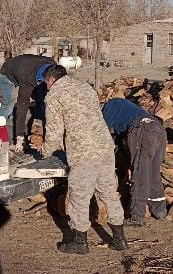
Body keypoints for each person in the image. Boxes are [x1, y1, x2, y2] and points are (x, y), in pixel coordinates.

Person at [39, 65, 127, 254]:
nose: (46, 86)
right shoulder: (86, 88)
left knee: (79, 196)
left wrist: (44, 153)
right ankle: (120, 239)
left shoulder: (54, 95)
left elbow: (54, 131)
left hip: (82, 151)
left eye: (45, 82)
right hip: (104, 146)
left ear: (51, 79)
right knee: (109, 192)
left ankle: (80, 242)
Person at [102, 98, 167, 226]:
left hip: (142, 130)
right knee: (153, 172)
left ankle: (137, 217)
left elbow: (101, 133)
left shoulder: (108, 107)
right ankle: (160, 210)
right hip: (158, 128)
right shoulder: (125, 107)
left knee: (140, 173)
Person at [0, 54, 55, 150]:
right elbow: (22, 106)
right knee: (9, 103)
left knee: (41, 100)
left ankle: (39, 132)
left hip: (27, 68)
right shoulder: (27, 79)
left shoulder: (53, 67)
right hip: (8, 73)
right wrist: (20, 137)